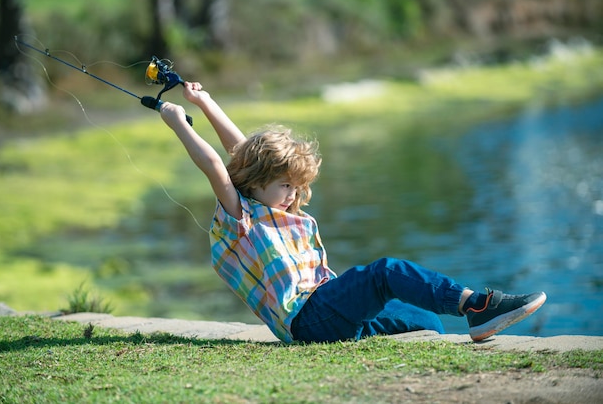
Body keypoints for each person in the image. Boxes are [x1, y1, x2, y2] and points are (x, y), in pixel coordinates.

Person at [158, 81, 547, 344]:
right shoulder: (241, 217)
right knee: (385, 272)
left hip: (327, 309)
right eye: (284, 185)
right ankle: (476, 305)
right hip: (308, 318)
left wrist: (204, 101)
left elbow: (244, 152)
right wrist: (179, 122)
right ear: (256, 181)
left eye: (295, 185)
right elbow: (216, 163)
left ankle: (405, 324)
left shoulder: (276, 202)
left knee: (426, 322)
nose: (291, 194)